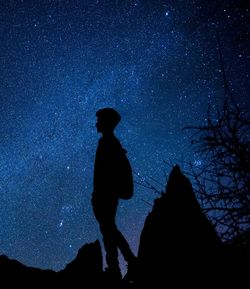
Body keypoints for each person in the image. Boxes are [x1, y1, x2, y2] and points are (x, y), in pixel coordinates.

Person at [91, 108, 136, 282]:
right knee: (109, 230)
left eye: (99, 120)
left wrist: (98, 194)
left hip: (105, 196)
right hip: (108, 195)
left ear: (106, 122)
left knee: (109, 229)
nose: (96, 123)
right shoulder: (110, 142)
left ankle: (125, 264)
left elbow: (104, 173)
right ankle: (118, 266)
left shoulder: (107, 143)